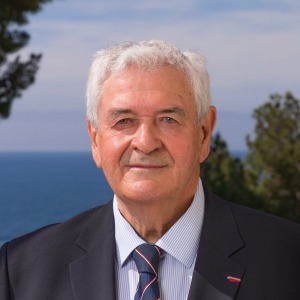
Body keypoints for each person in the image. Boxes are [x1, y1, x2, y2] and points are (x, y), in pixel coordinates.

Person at [0, 40, 300, 300]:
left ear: (204, 134)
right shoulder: (20, 271)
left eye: (168, 119)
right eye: (124, 121)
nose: (145, 142)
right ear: (95, 140)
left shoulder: (289, 259)